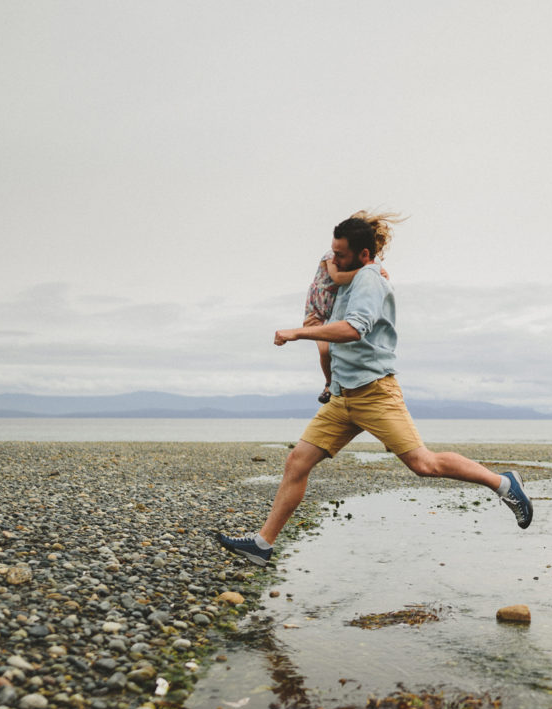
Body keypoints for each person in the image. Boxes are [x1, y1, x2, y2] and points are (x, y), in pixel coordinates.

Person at [214, 215, 532, 566]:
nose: (333, 260)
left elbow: (354, 329)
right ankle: (262, 544)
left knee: (424, 464)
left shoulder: (369, 279)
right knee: (297, 462)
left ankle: (503, 484)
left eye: (341, 255)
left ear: (364, 254)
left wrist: (298, 333)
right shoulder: (351, 278)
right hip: (343, 396)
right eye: (332, 252)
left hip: (375, 393)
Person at [303, 210, 399, 404]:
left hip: (333, 310)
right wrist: (369, 272)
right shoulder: (332, 256)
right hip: (319, 308)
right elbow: (337, 278)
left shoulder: (367, 264)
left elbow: (374, 275)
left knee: (332, 347)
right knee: (324, 350)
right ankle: (329, 383)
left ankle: (335, 385)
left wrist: (375, 272)